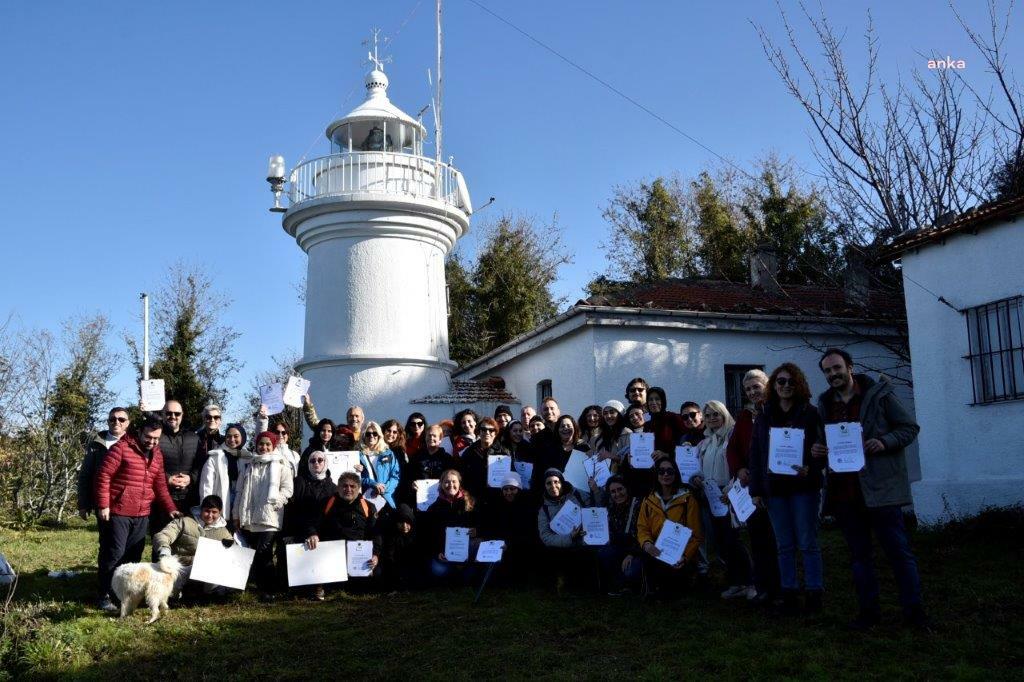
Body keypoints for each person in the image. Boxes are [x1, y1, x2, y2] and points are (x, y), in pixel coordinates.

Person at [812, 348, 928, 630]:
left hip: (881, 491)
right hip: (845, 493)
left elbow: (909, 428)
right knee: (859, 558)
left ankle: (915, 616)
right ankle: (869, 614)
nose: (833, 374)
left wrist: (885, 442)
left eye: (837, 368)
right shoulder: (825, 403)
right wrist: (817, 449)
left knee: (898, 554)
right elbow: (822, 441)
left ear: (849, 367)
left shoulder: (879, 395)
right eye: (827, 371)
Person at [748, 363, 826, 616]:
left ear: (799, 384)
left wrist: (811, 468)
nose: (785, 386)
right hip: (775, 490)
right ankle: (789, 592)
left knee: (807, 542)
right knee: (784, 545)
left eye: (791, 382)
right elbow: (757, 455)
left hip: (804, 487)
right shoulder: (764, 415)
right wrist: (756, 490)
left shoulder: (811, 413)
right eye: (781, 381)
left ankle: (814, 592)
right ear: (774, 385)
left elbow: (822, 450)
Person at [94, 417, 181, 613]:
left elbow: (159, 484)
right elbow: (103, 476)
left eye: (157, 438)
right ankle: (104, 595)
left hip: (142, 513)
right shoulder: (121, 448)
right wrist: (103, 504)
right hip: (118, 511)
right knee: (114, 555)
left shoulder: (157, 455)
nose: (152, 442)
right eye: (149, 437)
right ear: (140, 432)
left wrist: (170, 508)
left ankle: (125, 596)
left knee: (133, 556)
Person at [726, 368, 780, 605]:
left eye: (756, 387)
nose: (752, 392)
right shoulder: (745, 417)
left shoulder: (778, 411)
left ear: (767, 385)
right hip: (753, 487)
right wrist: (739, 468)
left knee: (778, 541)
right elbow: (733, 448)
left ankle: (781, 588)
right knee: (758, 539)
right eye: (747, 389)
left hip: (777, 484)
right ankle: (763, 587)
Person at [692, 400, 754, 601]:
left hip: (730, 493)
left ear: (724, 415)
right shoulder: (706, 442)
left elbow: (740, 462)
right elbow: (700, 467)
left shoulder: (732, 436)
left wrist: (732, 488)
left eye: (715, 414)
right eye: (708, 415)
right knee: (721, 541)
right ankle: (736, 582)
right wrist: (697, 477)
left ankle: (750, 581)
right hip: (711, 495)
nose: (711, 419)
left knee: (734, 539)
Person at [232, 431, 294, 600]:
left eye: (268, 444)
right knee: (253, 553)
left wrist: (277, 501)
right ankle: (260, 588)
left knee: (264, 553)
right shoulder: (249, 465)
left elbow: (288, 489)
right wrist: (236, 515)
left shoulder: (281, 464)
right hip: (249, 518)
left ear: (273, 445)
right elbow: (239, 491)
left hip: (269, 518)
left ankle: (271, 589)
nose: (264, 447)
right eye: (261, 444)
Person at [636, 459, 703, 600]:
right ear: (656, 474)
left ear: (676, 474)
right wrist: (647, 544)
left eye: (670, 471)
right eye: (661, 471)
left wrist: (684, 557)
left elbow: (696, 536)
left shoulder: (688, 500)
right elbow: (642, 528)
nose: (665, 475)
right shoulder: (648, 500)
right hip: (655, 552)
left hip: (680, 555)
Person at [279, 450, 337, 600]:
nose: (316, 463)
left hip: (324, 529)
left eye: (320, 460)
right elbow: (295, 509)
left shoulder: (333, 487)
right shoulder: (299, 482)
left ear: (325, 463)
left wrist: (317, 532)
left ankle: (319, 586)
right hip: (301, 526)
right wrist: (310, 531)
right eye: (312, 461)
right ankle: (299, 586)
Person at [306, 472, 380, 588]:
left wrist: (375, 554)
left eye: (352, 486)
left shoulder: (369, 507)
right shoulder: (326, 503)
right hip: (331, 558)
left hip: (359, 559)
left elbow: (376, 533)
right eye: (344, 486)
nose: (348, 489)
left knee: (371, 584)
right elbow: (312, 523)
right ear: (338, 487)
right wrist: (313, 534)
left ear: (359, 488)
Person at [153, 494, 233, 597]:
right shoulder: (184, 521)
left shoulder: (223, 531)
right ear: (201, 509)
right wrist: (164, 549)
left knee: (215, 587)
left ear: (220, 512)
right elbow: (163, 535)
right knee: (169, 594)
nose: (210, 515)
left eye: (214, 512)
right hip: (181, 568)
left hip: (205, 572)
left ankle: (209, 593)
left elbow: (233, 551)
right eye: (207, 511)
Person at [537, 468, 599, 593]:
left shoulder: (578, 495)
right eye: (548, 483)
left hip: (584, 542)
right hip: (562, 548)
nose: (553, 486)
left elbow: (596, 510)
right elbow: (546, 536)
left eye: (556, 481)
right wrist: (569, 538)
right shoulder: (543, 510)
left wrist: (596, 491)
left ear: (562, 482)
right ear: (544, 486)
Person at [480, 472, 537, 585]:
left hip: (520, 549)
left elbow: (529, 534)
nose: (509, 492)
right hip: (500, 548)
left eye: (512, 489)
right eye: (505, 489)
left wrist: (510, 545)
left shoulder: (527, 507)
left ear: (519, 489)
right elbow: (492, 528)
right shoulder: (497, 506)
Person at [425, 469, 479, 584]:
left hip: (467, 552)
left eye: (454, 481)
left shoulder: (471, 503)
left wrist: (476, 531)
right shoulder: (434, 508)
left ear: (459, 483)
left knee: (471, 574)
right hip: (445, 553)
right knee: (439, 570)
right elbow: (429, 534)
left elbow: (481, 524)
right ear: (441, 485)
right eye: (447, 482)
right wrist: (437, 552)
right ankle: (455, 574)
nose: (451, 485)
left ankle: (461, 572)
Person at [78, 407, 130, 520]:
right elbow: (85, 475)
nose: (117, 422)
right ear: (107, 422)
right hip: (102, 502)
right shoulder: (96, 445)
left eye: (121, 419)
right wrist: (83, 504)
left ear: (127, 423)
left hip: (128, 503)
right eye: (112, 419)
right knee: (106, 537)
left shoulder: (135, 443)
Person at [197, 423, 250, 524]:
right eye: (228, 436)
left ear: (242, 437)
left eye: (236, 436)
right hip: (220, 504)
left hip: (240, 505)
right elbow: (206, 485)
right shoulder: (216, 456)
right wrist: (208, 510)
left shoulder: (247, 458)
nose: (232, 439)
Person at [600, 475, 642, 596]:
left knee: (630, 571)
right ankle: (620, 585)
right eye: (613, 492)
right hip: (620, 547)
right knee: (604, 553)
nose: (617, 494)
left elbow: (642, 534)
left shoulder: (638, 505)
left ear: (626, 489)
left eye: (620, 489)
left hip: (638, 548)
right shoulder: (610, 507)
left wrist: (631, 554)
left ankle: (633, 585)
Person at [158, 400, 202, 517]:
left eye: (177, 414)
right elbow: (149, 465)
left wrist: (190, 478)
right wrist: (167, 479)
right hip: (161, 500)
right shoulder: (156, 437)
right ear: (162, 414)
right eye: (168, 413)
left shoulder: (194, 438)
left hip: (189, 499)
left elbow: (200, 464)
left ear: (182, 415)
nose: (173, 416)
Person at [532, 414, 588, 491]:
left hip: (579, 492)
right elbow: (539, 473)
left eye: (568, 425)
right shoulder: (548, 449)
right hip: (554, 492)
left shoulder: (583, 448)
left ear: (574, 428)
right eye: (562, 426)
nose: (565, 428)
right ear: (557, 430)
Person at [458, 417, 507, 500]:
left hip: (497, 499)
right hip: (474, 500)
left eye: (491, 430)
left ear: (495, 433)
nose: (487, 432)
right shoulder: (469, 453)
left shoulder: (504, 453)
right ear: (479, 432)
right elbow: (462, 477)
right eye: (483, 429)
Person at [357, 421, 400, 509]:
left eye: (375, 433)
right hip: (365, 499)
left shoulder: (388, 454)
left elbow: (395, 476)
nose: (371, 436)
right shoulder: (357, 455)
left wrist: (384, 488)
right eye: (368, 434)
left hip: (385, 498)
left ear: (379, 435)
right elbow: (354, 478)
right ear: (363, 436)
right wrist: (372, 483)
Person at [380, 503, 420, 591]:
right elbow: (389, 557)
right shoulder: (390, 535)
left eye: (407, 522)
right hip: (395, 565)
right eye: (401, 522)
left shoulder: (417, 535)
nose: (404, 526)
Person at [644, 387, 686, 454]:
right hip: (651, 462)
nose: (653, 402)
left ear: (663, 401)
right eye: (650, 400)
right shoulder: (647, 425)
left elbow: (684, 441)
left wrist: (667, 455)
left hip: (671, 461)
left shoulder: (673, 418)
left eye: (657, 399)